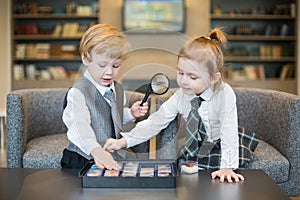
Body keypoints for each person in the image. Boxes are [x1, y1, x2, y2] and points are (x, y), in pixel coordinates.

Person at [104, 28, 258, 182]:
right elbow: (154, 122)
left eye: (192, 76)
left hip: (220, 141)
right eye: (180, 73)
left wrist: (227, 167)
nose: (184, 81)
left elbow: (228, 130)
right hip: (196, 145)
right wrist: (122, 141)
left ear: (213, 78)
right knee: (186, 169)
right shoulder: (181, 96)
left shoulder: (224, 93)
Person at [61, 24, 149, 170]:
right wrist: (96, 151)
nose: (109, 72)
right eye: (102, 65)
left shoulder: (117, 89)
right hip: (83, 158)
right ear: (85, 59)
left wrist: (130, 113)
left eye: (116, 66)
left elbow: (112, 115)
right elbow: (79, 127)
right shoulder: (78, 93)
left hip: (111, 154)